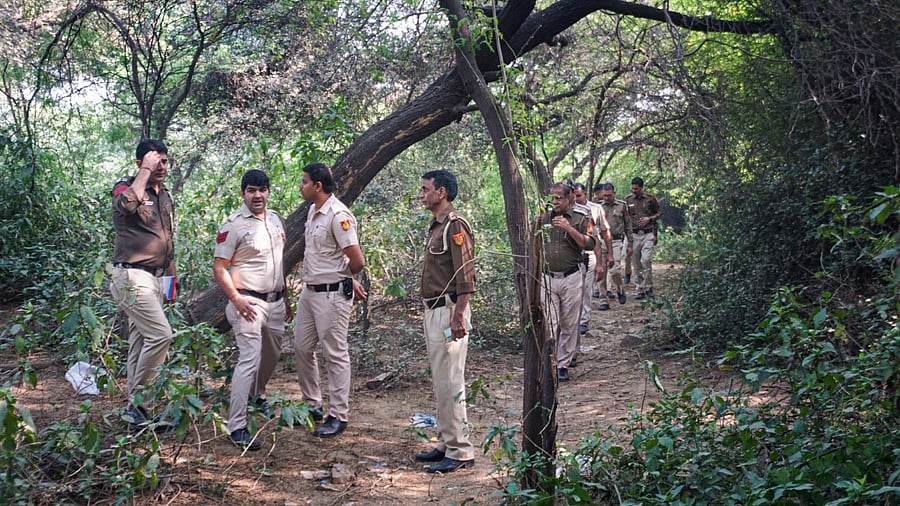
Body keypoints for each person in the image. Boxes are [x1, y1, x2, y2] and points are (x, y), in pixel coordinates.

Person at [213, 170, 293, 451]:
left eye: (262, 189)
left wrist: (286, 298)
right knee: (249, 359)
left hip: (275, 302)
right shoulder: (233, 225)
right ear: (243, 193)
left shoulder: (275, 220)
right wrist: (236, 299)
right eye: (251, 190)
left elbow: (279, 263)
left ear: (268, 191)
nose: (257, 195)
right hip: (247, 302)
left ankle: (256, 397)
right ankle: (236, 426)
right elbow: (219, 267)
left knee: (271, 357)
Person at [294, 162, 367, 438]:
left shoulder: (338, 215)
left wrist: (344, 278)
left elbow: (357, 260)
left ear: (318, 185)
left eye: (304, 182)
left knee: (335, 353)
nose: (301, 186)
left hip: (332, 295)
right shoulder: (313, 211)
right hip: (310, 292)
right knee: (302, 348)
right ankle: (312, 405)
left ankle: (338, 415)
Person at [412, 170, 477, 474]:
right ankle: (447, 442)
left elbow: (466, 275)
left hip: (448, 311)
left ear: (442, 192)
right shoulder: (437, 225)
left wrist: (459, 314)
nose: (421, 195)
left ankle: (460, 450)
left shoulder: (455, 225)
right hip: (433, 310)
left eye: (426, 189)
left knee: (451, 381)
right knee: (441, 381)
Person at [110, 138, 176, 432]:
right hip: (131, 276)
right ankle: (139, 406)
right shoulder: (126, 187)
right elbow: (125, 206)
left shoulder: (165, 196)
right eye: (153, 161)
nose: (160, 166)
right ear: (140, 163)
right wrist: (144, 173)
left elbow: (168, 241)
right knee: (161, 336)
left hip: (156, 278)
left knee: (140, 342)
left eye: (164, 161)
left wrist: (170, 284)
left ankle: (135, 414)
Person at [534, 182, 596, 382]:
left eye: (559, 198)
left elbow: (589, 243)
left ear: (569, 198)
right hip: (547, 277)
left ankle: (563, 365)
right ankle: (550, 361)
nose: (555, 202)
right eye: (552, 198)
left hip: (572, 276)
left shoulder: (580, 217)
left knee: (569, 322)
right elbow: (532, 241)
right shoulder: (544, 218)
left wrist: (569, 228)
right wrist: (537, 221)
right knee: (551, 322)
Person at [574, 183, 613, 324]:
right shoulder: (568, 211)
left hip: (590, 252)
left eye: (578, 195)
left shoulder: (595, 209)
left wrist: (608, 255)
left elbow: (602, 233)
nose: (575, 198)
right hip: (572, 254)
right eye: (573, 195)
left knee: (586, 287)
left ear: (585, 194)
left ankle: (584, 319)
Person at [625, 176, 662, 299]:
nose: (633, 191)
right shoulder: (627, 200)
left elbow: (659, 213)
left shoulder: (650, 199)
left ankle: (649, 287)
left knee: (645, 260)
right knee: (636, 263)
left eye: (636, 189)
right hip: (634, 234)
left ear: (641, 188)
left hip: (648, 233)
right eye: (632, 188)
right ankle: (640, 289)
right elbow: (625, 217)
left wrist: (649, 219)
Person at [597, 183, 633, 305]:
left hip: (616, 241)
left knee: (615, 269)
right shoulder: (598, 207)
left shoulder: (622, 206)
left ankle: (619, 289)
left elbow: (628, 225)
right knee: (601, 271)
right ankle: (603, 299)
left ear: (614, 193)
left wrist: (630, 244)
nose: (607, 198)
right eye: (604, 195)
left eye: (609, 195)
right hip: (601, 241)